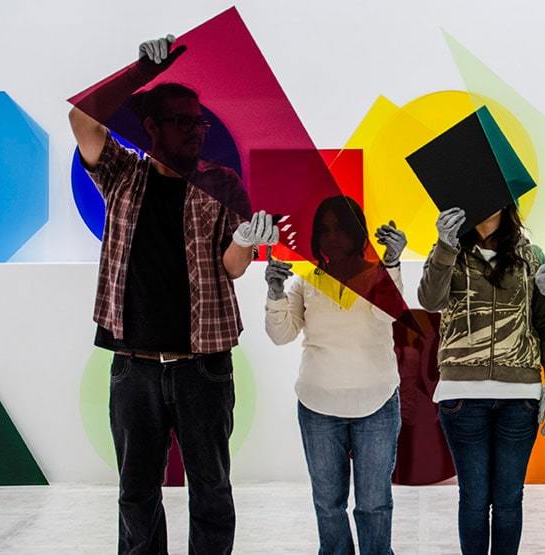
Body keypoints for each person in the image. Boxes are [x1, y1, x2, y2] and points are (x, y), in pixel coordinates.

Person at [69, 35, 278, 553]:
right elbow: (82, 120)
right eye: (182, 121)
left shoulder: (220, 182)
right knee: (136, 493)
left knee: (212, 491)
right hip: (133, 366)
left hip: (202, 365)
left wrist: (243, 241)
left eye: (199, 122)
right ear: (151, 127)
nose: (195, 130)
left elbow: (232, 268)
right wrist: (141, 71)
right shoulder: (123, 174)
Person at [264, 195, 408, 555]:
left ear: (357, 233)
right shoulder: (307, 282)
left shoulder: (377, 275)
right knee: (328, 505)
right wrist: (275, 291)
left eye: (341, 229)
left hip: (376, 404)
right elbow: (281, 335)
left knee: (374, 504)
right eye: (325, 230)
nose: (333, 237)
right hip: (318, 406)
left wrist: (392, 263)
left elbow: (389, 315)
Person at [417, 203, 545, 555]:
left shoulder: (530, 256)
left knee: (509, 498)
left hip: (520, 395)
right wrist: (445, 246)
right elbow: (430, 300)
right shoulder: (448, 250)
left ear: (505, 203)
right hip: (461, 395)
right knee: (474, 497)